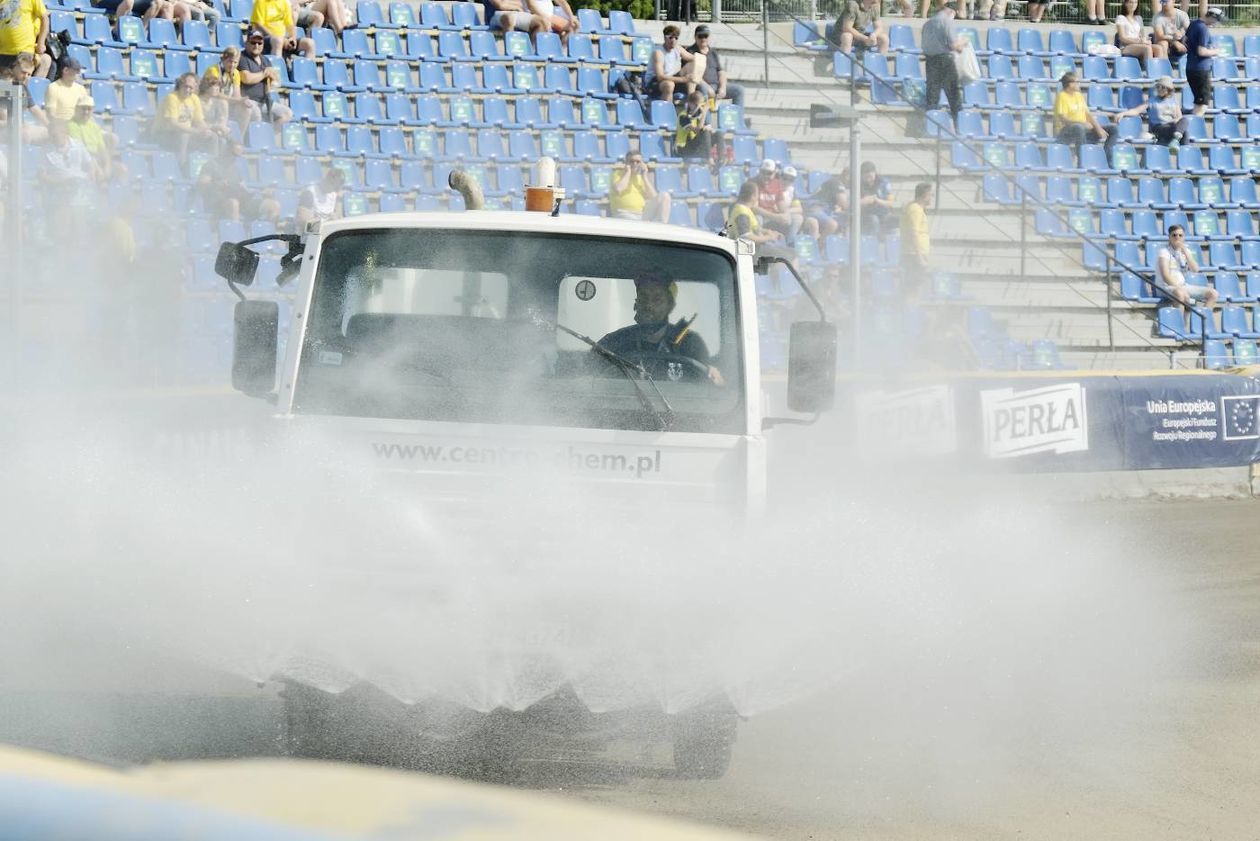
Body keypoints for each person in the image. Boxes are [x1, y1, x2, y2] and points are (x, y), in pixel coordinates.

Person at [596, 271, 721, 385]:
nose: (648, 305)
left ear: (670, 306)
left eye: (657, 299)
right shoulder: (613, 342)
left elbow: (709, 390)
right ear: (636, 303)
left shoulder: (691, 344)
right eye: (643, 297)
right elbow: (586, 376)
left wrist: (714, 376)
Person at [39, 119, 99, 237]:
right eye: (51, 135)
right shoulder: (45, 151)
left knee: (80, 231)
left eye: (55, 135)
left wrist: (91, 173)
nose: (52, 138)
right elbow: (42, 176)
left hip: (80, 195)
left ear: (65, 132)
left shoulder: (78, 145)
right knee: (63, 232)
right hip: (58, 196)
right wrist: (59, 183)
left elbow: (90, 162)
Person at [154, 71, 222, 169]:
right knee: (184, 134)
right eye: (185, 86)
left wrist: (206, 130)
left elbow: (199, 121)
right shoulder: (172, 98)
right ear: (180, 85)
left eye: (191, 88)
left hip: (185, 134)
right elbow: (173, 124)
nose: (187, 90)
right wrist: (195, 131)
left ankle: (213, 169)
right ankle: (181, 167)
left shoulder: (194, 99)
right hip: (163, 134)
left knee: (213, 137)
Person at [198, 141, 280, 222]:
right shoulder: (211, 164)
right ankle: (236, 232)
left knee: (273, 205)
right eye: (234, 154)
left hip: (242, 200)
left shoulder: (234, 166)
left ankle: (271, 230)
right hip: (219, 202)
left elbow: (243, 186)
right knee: (234, 203)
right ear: (227, 150)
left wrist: (259, 192)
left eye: (238, 155)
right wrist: (218, 184)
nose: (235, 158)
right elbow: (203, 183)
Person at [1156, 224, 1217, 333]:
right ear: (1169, 237)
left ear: (1184, 237)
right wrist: (1181, 289)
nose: (1177, 237)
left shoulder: (1185, 250)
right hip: (1166, 287)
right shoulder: (1164, 252)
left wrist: (1186, 253)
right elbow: (1165, 276)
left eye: (1180, 235)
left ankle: (1200, 325)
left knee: (1213, 294)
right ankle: (1178, 328)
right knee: (1181, 294)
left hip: (1183, 286)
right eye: (1174, 235)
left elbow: (1195, 269)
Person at [237, 31, 294, 132]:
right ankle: (253, 141)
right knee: (256, 114)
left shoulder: (265, 60)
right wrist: (264, 74)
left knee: (287, 114)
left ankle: (268, 136)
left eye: (260, 43)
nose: (256, 45)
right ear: (247, 43)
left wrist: (273, 78)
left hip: (265, 101)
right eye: (253, 42)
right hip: (248, 100)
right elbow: (246, 78)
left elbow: (276, 82)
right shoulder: (242, 57)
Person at [1113, 75, 1190, 149]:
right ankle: (1176, 140)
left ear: (1168, 90)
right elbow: (1137, 110)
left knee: (1185, 126)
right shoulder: (1151, 101)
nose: (1160, 89)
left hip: (1171, 125)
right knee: (1180, 131)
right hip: (1158, 127)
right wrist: (1123, 113)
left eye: (1163, 87)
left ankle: (1181, 151)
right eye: (1158, 87)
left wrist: (1175, 120)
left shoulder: (1173, 101)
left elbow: (1179, 117)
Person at [1053, 71, 1111, 164]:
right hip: (1065, 132)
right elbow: (1063, 119)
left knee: (1112, 129)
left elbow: (1088, 115)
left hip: (1082, 129)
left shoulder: (1079, 96)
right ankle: (1082, 162)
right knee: (1078, 127)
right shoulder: (1061, 96)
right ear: (1070, 84)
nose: (1079, 84)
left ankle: (1107, 161)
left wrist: (1098, 128)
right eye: (1077, 82)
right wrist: (1082, 124)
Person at [921, 0, 963, 129]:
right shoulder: (947, 22)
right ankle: (959, 127)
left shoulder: (927, 23)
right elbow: (954, 45)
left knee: (932, 96)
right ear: (950, 11)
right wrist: (964, 42)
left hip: (930, 61)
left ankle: (930, 127)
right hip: (945, 61)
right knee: (954, 96)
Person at [686, 25, 743, 109]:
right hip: (700, 86)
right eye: (700, 36)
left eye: (706, 36)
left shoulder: (713, 53)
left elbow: (721, 72)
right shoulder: (690, 52)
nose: (703, 39)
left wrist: (722, 87)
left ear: (709, 37)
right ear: (695, 37)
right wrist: (708, 87)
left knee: (739, 90)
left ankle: (738, 118)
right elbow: (692, 74)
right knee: (703, 89)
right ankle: (706, 121)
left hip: (716, 85)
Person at [608, 150, 671, 223]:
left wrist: (645, 176)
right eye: (631, 161)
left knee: (664, 196)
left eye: (638, 162)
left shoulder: (640, 178)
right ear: (626, 163)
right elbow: (619, 188)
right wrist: (628, 172)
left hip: (641, 214)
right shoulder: (617, 174)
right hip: (624, 213)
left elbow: (653, 197)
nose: (635, 164)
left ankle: (660, 225)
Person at [67, 96, 121, 180]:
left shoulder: (94, 126)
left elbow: (102, 149)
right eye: (83, 109)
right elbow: (82, 150)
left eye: (89, 109)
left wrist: (107, 166)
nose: (86, 112)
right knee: (95, 171)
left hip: (96, 158)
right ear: (76, 109)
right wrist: (98, 168)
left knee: (121, 169)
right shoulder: (71, 125)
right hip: (82, 161)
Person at [205, 47, 258, 130]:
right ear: (223, 59)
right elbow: (215, 94)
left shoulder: (236, 73)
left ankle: (240, 138)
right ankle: (222, 131)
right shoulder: (214, 70)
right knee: (223, 102)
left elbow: (237, 94)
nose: (232, 65)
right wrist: (236, 100)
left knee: (249, 109)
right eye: (230, 61)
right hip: (210, 102)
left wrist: (242, 101)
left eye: (235, 62)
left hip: (228, 102)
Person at [643, 24, 700, 102]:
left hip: (671, 78)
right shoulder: (658, 53)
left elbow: (695, 59)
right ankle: (666, 111)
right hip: (654, 82)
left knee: (690, 67)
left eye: (676, 38)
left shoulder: (678, 48)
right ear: (664, 38)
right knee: (669, 85)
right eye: (670, 37)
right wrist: (683, 79)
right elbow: (660, 77)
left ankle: (691, 101)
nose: (673, 40)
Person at [1, 53, 49, 143]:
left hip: (17, 128)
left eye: (29, 74)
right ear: (14, 67)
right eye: (23, 72)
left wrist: (50, 127)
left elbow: (34, 110)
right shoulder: (4, 85)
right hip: (4, 129)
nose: (26, 77)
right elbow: (3, 117)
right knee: (25, 134)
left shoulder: (22, 87)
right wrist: (18, 126)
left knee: (50, 134)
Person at [1184, 6, 1223, 117]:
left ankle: (1190, 127)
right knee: (1203, 104)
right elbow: (1201, 51)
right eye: (1217, 20)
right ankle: (1192, 127)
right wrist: (1216, 51)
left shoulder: (1194, 24)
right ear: (1212, 17)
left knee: (1198, 102)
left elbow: (1185, 41)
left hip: (1190, 67)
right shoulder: (1203, 28)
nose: (1216, 23)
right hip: (1200, 70)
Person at [0, 0, 51, 79]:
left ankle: (31, 89)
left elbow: (44, 18)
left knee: (22, 77)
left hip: (24, 51)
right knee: (6, 85)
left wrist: (41, 42)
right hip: (3, 52)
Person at [249, 0, 315, 59]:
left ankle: (307, 71)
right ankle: (277, 70)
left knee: (310, 43)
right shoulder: (260, 2)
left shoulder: (283, 2)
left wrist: (293, 38)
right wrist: (274, 36)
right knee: (278, 40)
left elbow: (290, 25)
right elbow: (258, 24)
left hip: (283, 38)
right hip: (266, 38)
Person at [900, 182, 933, 298]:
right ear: (924, 195)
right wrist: (919, 256)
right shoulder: (915, 209)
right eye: (930, 195)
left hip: (915, 253)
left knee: (916, 286)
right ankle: (910, 313)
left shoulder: (916, 208)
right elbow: (913, 233)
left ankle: (913, 312)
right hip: (913, 255)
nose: (931, 198)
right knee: (913, 288)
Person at [726, 180, 784, 246]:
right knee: (788, 254)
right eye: (757, 194)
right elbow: (746, 237)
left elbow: (753, 229)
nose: (758, 197)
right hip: (745, 250)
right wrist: (768, 237)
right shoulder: (742, 213)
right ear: (753, 196)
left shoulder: (745, 209)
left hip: (753, 248)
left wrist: (767, 232)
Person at [294, 165, 345, 230]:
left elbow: (338, 217)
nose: (337, 190)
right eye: (336, 187)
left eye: (338, 187)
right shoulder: (309, 193)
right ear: (328, 180)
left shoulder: (333, 195)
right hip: (307, 235)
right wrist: (327, 222)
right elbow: (302, 223)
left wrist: (336, 219)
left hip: (326, 232)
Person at [43, 55, 90, 122]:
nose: (79, 73)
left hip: (78, 126)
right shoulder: (53, 87)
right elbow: (51, 115)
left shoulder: (81, 89)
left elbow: (87, 112)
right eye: (76, 70)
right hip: (61, 126)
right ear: (65, 70)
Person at [1114, 0, 1159, 68]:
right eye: (1131, 2)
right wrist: (1139, 41)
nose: (1133, 5)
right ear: (1126, 4)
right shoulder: (1121, 18)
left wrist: (1146, 40)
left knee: (1158, 48)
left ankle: (1161, 72)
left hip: (1139, 44)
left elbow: (1142, 35)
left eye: (1135, 2)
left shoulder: (1139, 18)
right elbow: (1122, 37)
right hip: (1126, 46)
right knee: (1147, 48)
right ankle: (1151, 72)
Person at [803, 171, 848, 237]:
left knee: (845, 219)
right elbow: (844, 204)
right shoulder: (837, 183)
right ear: (847, 176)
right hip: (815, 208)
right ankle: (821, 245)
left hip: (821, 209)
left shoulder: (833, 181)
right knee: (832, 224)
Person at [674, 90, 715, 161]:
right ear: (690, 103)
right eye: (696, 105)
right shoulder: (683, 116)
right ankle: (709, 158)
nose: (699, 107)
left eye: (700, 105)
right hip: (684, 148)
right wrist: (704, 113)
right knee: (705, 133)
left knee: (718, 134)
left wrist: (709, 128)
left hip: (695, 146)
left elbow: (703, 129)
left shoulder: (699, 115)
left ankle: (721, 159)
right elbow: (697, 130)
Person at [858, 161, 896, 239]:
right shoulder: (857, 184)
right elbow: (853, 203)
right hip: (865, 214)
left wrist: (877, 201)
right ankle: (873, 243)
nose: (868, 178)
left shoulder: (884, 183)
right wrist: (865, 201)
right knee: (873, 220)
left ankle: (891, 246)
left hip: (883, 212)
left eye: (870, 174)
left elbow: (890, 203)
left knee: (892, 221)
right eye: (865, 174)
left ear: (875, 172)